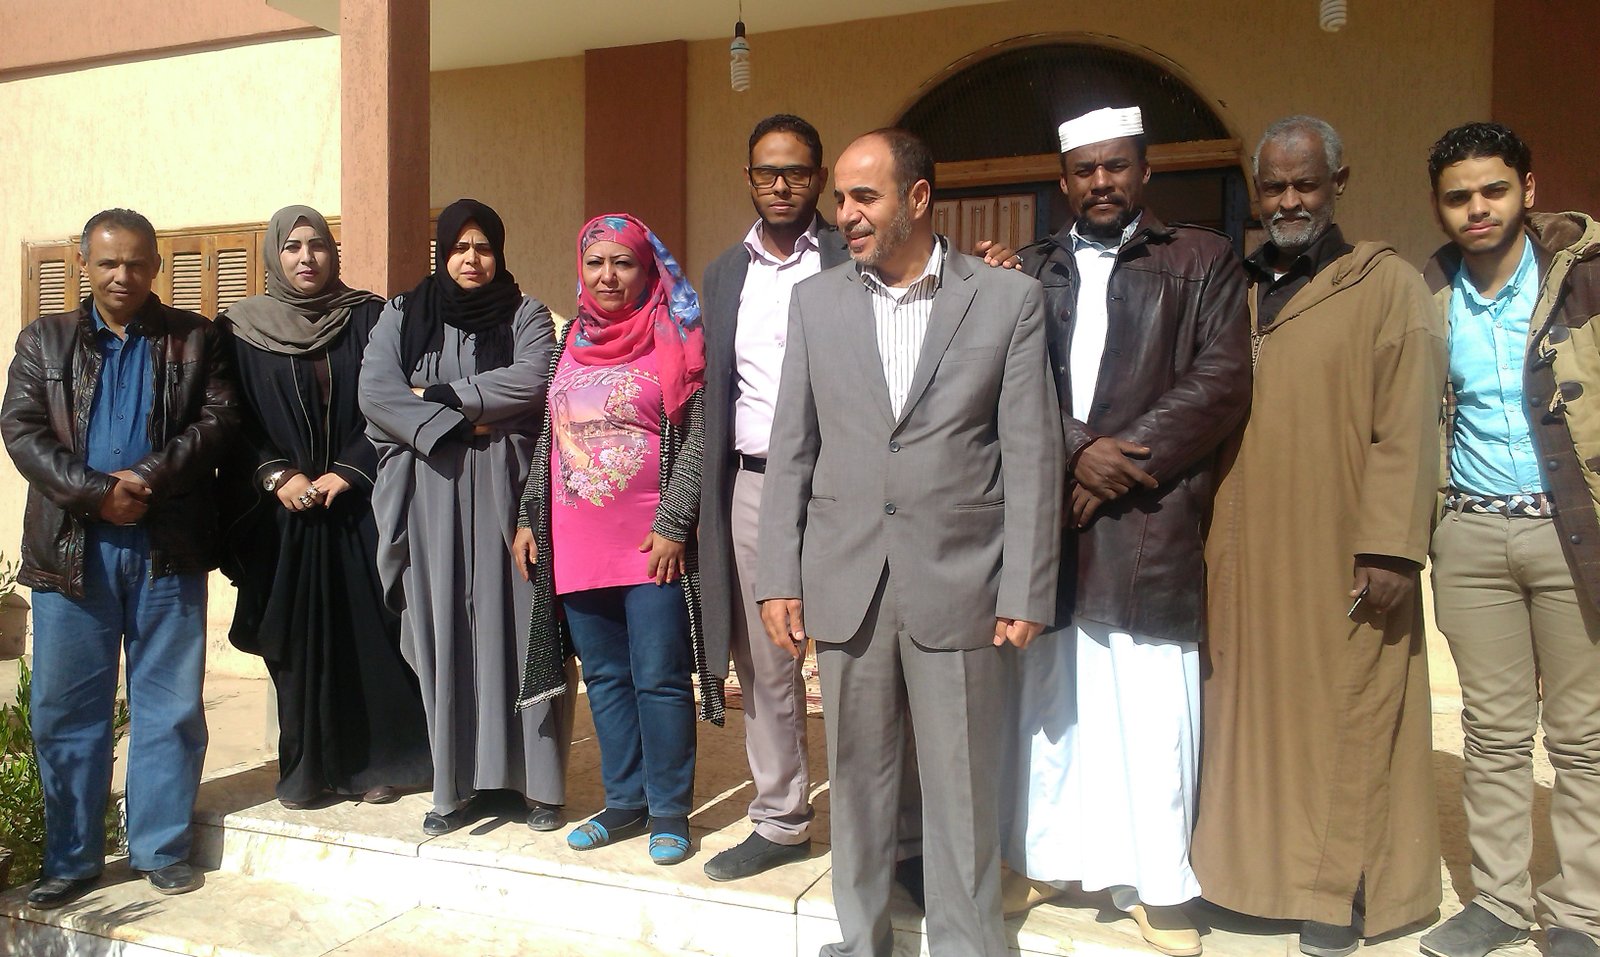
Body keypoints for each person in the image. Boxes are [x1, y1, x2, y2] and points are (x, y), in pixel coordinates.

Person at [756, 128, 1064, 957]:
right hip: (848, 577)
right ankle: (861, 941)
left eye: (866, 196)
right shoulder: (816, 302)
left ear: (919, 198)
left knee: (962, 786)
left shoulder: (1006, 300)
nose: (845, 214)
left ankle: (969, 945)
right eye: (841, 199)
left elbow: (1032, 453)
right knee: (858, 781)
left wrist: (1027, 585)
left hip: (962, 578)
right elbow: (793, 447)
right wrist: (779, 574)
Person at [994, 105, 1250, 957]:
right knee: (1051, 701)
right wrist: (1077, 450)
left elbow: (1221, 381)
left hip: (1150, 512)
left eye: (1116, 166)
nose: (1100, 182)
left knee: (1147, 705)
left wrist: (1116, 462)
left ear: (1145, 171)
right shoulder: (1034, 267)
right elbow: (1010, 378)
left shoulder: (1203, 258)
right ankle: (1044, 859)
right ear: (1063, 180)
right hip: (1054, 513)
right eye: (1084, 170)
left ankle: (1157, 882)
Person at [1190, 116, 1446, 957]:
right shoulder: (1237, 287)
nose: (1289, 200)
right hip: (1239, 553)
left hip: (1341, 551)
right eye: (1274, 186)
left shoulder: (1385, 285)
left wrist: (1392, 545)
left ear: (1339, 183)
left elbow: (1408, 423)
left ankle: (1335, 896)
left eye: (1305, 183)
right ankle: (1246, 881)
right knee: (1245, 720)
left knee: (1346, 714)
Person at [2, 208, 238, 906]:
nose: (122, 275)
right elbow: (21, 429)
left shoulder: (195, 337)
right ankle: (71, 859)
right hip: (72, 550)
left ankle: (160, 847)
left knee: (170, 703)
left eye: (136, 262)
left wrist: (148, 479)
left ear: (156, 266)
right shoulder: (43, 340)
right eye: (108, 262)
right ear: (83, 263)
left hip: (167, 547)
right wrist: (97, 493)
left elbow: (219, 421)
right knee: (67, 709)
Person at [1419, 122, 1600, 957]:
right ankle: (1497, 899)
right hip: (1472, 533)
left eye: (1494, 189)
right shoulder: (1431, 293)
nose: (1477, 208)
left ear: (1528, 189)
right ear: (1439, 206)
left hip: (1574, 532)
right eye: (1458, 196)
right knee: (1492, 732)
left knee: (1582, 737)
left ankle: (1580, 912)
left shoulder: (1585, 277)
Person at [359, 198, 573, 837]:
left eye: (483, 247)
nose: (471, 259)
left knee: (523, 629)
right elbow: (376, 394)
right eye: (459, 248)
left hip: (511, 493)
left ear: (499, 253)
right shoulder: (403, 315)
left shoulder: (526, 314)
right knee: (444, 629)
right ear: (442, 253)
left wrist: (439, 399)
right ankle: (453, 789)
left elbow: (533, 382)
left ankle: (539, 785)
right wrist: (467, 421)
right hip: (432, 494)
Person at [513, 212, 716, 867]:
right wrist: (530, 515)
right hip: (577, 542)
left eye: (622, 262)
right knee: (603, 677)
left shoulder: (675, 334)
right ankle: (624, 801)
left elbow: (698, 434)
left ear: (645, 268)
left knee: (659, 678)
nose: (608, 275)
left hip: (650, 545)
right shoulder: (570, 339)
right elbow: (550, 437)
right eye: (596, 262)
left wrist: (674, 523)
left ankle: (669, 810)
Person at [218, 205, 431, 810]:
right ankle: (306, 773)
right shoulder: (236, 329)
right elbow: (229, 418)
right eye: (292, 247)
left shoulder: (369, 317)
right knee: (296, 642)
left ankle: (380, 765)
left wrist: (349, 469)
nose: (306, 258)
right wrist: (276, 474)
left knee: (373, 633)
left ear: (333, 253)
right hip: (282, 515)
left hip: (358, 507)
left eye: (317, 245)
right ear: (273, 256)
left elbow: (390, 401)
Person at [696, 114, 846, 880]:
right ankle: (782, 818)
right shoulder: (726, 273)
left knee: (857, 657)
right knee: (765, 661)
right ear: (749, 178)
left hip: (846, 487)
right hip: (752, 486)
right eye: (766, 171)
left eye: (795, 171)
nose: (780, 184)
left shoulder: (854, 255)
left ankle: (880, 827)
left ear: (818, 177)